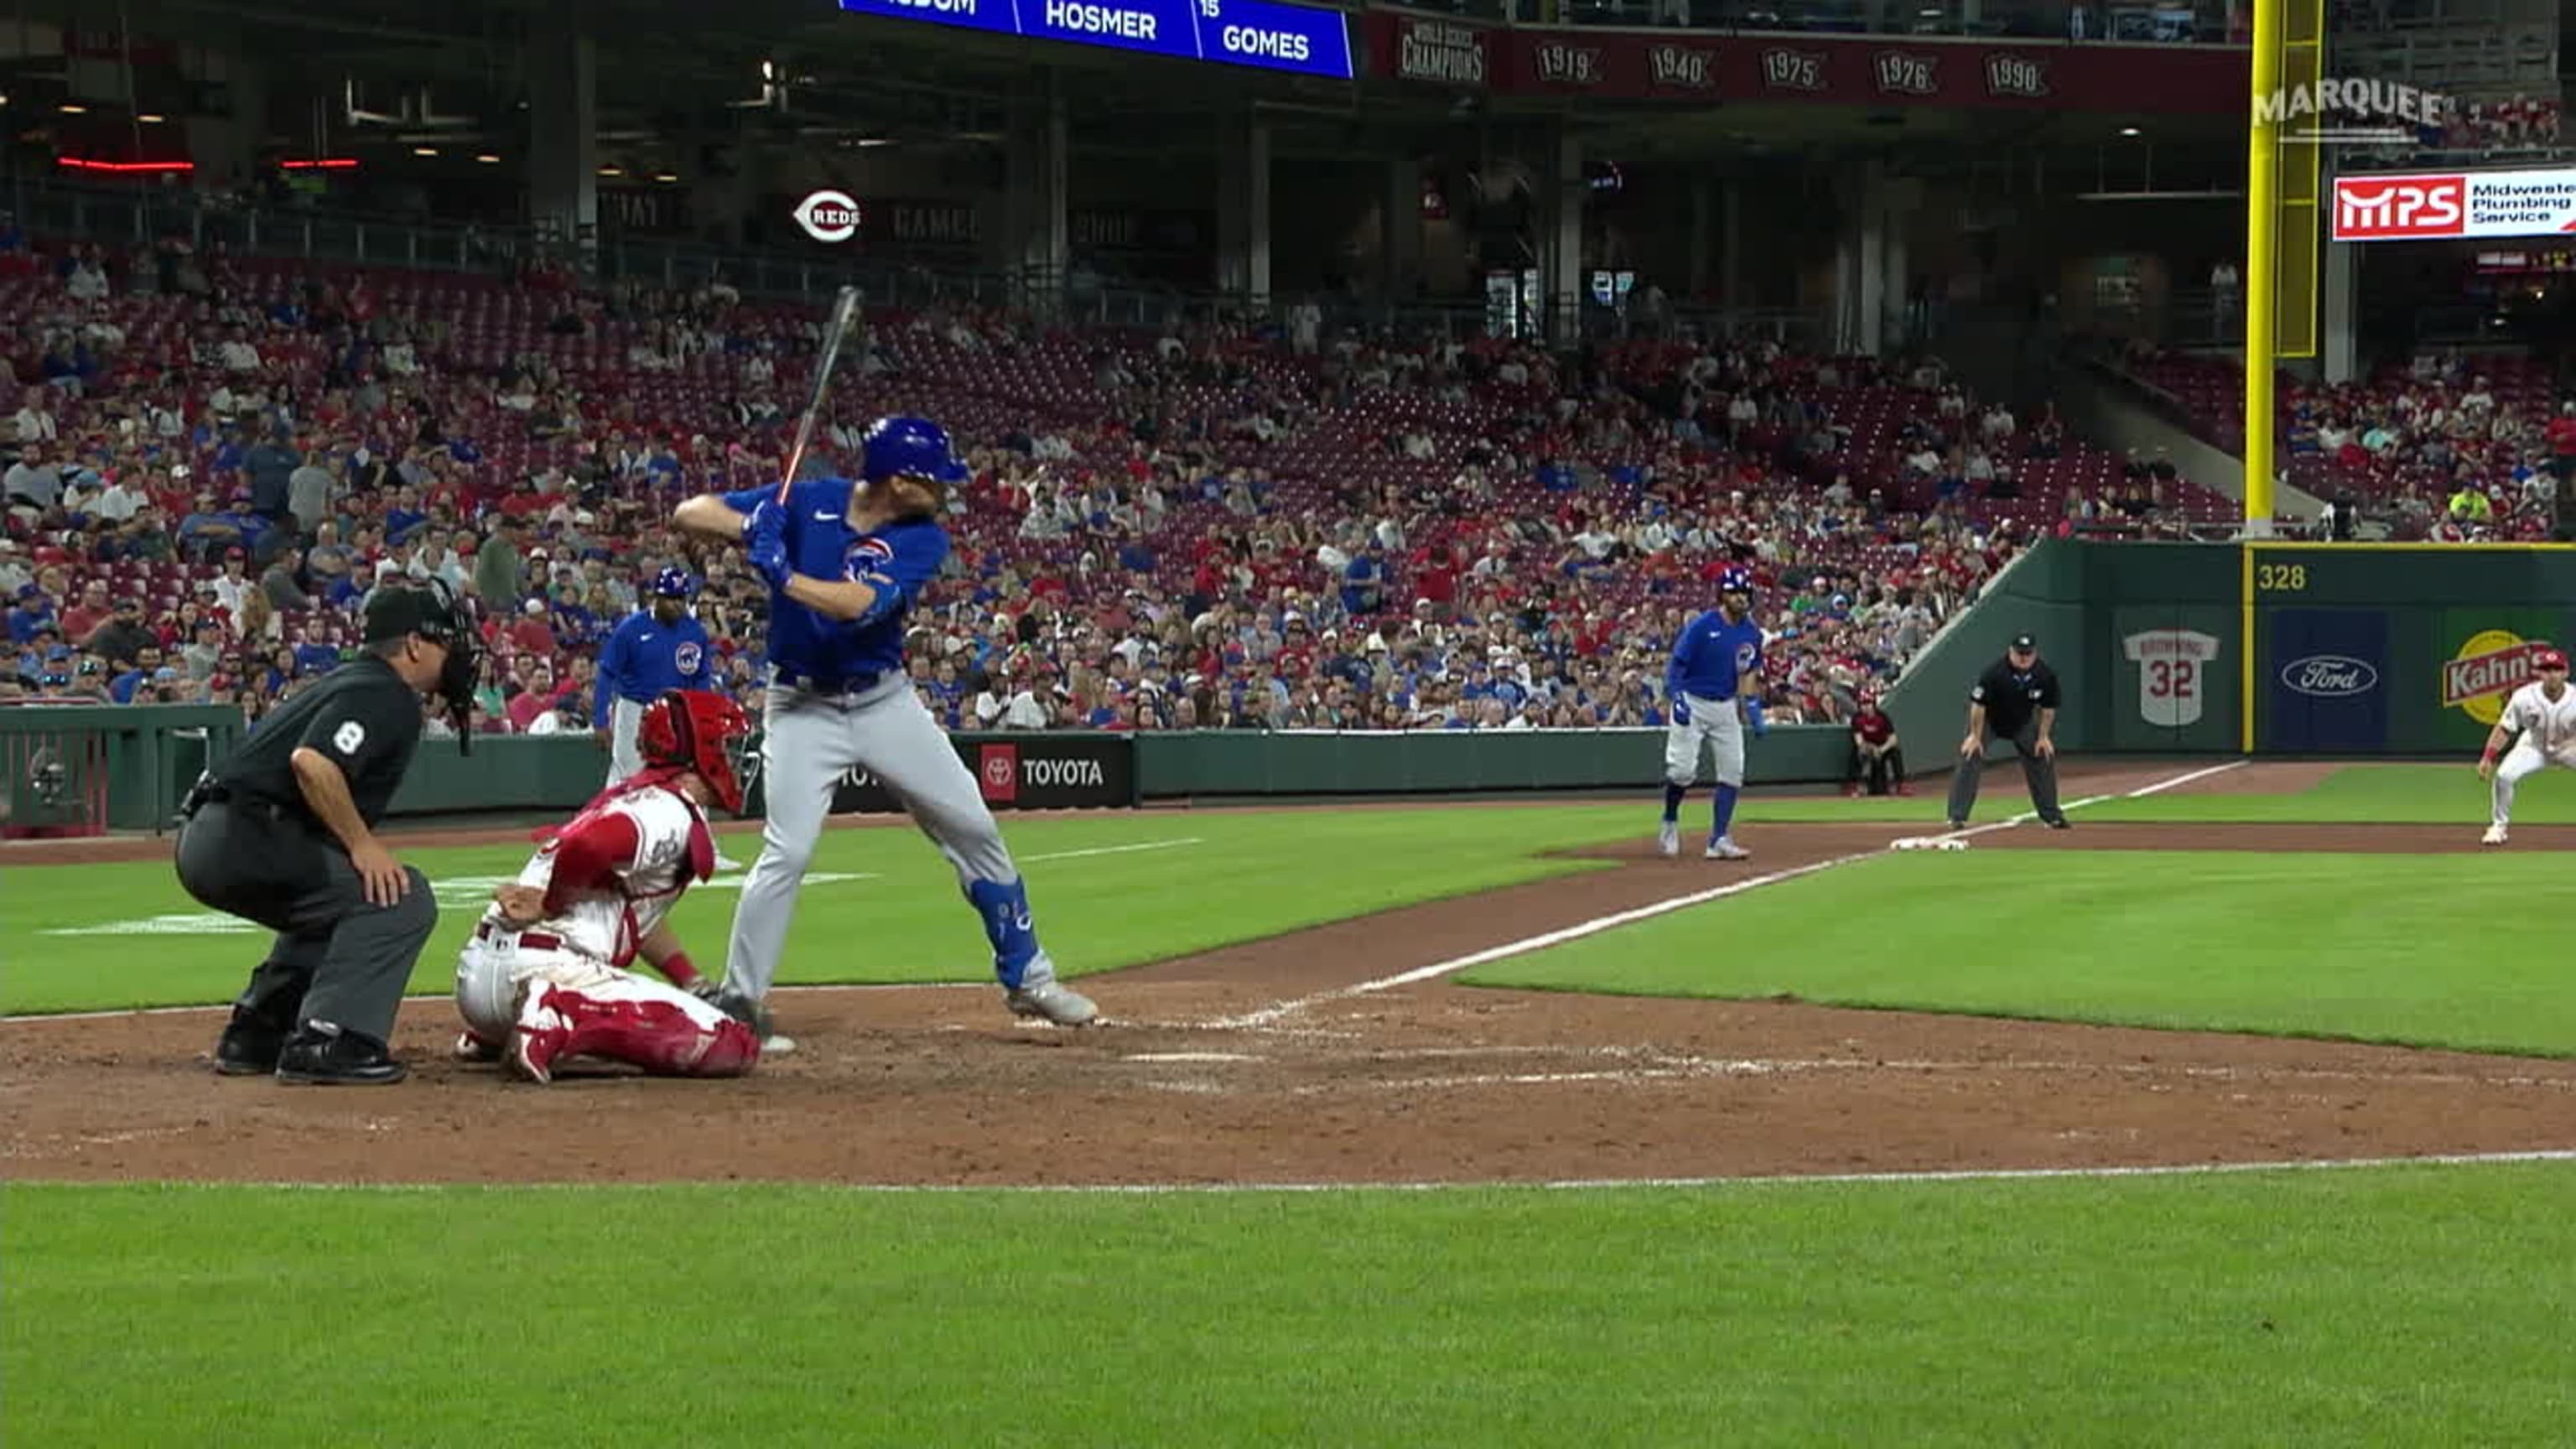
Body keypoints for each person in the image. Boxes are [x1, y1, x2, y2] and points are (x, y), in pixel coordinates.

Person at [672, 414, 1100, 1043]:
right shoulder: (810, 500)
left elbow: (856, 605)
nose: (945, 491)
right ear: (898, 480)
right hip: (799, 706)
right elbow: (690, 511)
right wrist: (750, 525)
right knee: (786, 851)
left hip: (883, 702)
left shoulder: (922, 539)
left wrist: (783, 574)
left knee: (974, 828)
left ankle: (1029, 978)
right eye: (934, 480)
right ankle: (740, 1004)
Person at [174, 583, 480, 1084]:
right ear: (414, 645)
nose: (458, 657)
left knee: (341, 898)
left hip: (215, 833)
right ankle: (331, 1039)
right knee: (398, 898)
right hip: (243, 834)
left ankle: (259, 1032)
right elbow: (313, 763)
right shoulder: (385, 691)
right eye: (448, 643)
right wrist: (363, 845)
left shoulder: (352, 680)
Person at [452, 689, 766, 1082]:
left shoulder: (635, 799)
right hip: (544, 966)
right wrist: (553, 902)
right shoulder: (668, 809)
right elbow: (591, 845)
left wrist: (693, 982)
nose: (735, 757)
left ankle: (497, 1032)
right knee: (729, 1043)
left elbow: (632, 915)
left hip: (480, 982)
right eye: (726, 745)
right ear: (701, 752)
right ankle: (555, 1012)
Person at [1657, 565, 1767, 860]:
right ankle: (1669, 820)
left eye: (1744, 593)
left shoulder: (1751, 633)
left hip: (1725, 705)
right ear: (1722, 595)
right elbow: (1677, 664)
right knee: (1681, 771)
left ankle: (1718, 837)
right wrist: (1676, 696)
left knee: (1733, 771)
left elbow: (1748, 672)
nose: (1740, 598)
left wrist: (1752, 705)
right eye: (1734, 593)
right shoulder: (1703, 626)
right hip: (1693, 700)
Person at [594, 567, 714, 782]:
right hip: (636, 710)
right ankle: (617, 816)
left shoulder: (695, 631)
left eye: (681, 598)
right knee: (629, 775)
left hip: (678, 712)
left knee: (682, 776)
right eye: (670, 598)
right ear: (656, 597)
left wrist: (701, 716)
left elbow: (702, 677)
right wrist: (600, 720)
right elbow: (606, 673)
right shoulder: (631, 629)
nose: (677, 604)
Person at [1944, 631, 2067, 831]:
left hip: (2022, 722)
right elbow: (1978, 706)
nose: (2024, 658)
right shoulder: (1994, 673)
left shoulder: (2045, 675)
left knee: (2043, 755)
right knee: (1970, 755)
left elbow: (2048, 709)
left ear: (2035, 653)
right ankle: (1957, 816)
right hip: (1989, 721)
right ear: (2011, 652)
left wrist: (2044, 737)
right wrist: (1975, 737)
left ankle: (2051, 815)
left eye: (2028, 653)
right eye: (2020, 653)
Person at [2476, 647, 2575, 846]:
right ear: (2540, 673)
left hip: (2568, 746)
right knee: (2504, 776)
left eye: (2557, 669)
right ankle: (2498, 827)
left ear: (2566, 672)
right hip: (2534, 746)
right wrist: (2488, 756)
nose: (2552, 674)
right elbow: (2505, 728)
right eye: (2547, 670)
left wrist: (2570, 743)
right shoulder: (2524, 696)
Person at [1846, 692, 1907, 797]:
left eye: (1868, 703)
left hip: (1882, 747)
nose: (1866, 707)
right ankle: (1857, 784)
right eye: (1863, 704)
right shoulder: (1857, 718)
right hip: (1867, 747)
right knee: (1857, 752)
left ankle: (1899, 784)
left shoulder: (1882, 716)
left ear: (1873, 704)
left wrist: (1881, 749)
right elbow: (1859, 740)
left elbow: (1893, 739)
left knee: (1896, 751)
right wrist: (1871, 748)